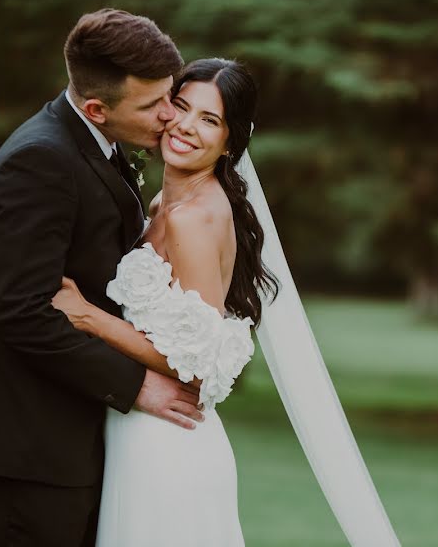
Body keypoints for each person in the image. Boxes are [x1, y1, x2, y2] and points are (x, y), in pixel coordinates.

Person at [0, 9, 206, 547]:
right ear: (96, 109)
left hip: (61, 445)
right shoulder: (40, 162)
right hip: (22, 452)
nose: (170, 117)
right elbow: (21, 311)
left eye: (170, 95)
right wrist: (137, 385)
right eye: (153, 105)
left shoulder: (94, 147)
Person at [52, 58, 278, 546]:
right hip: (138, 433)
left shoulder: (193, 219)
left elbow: (196, 365)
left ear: (230, 143)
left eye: (209, 120)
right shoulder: (162, 206)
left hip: (169, 444)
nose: (186, 127)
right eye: (181, 106)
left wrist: (89, 317)